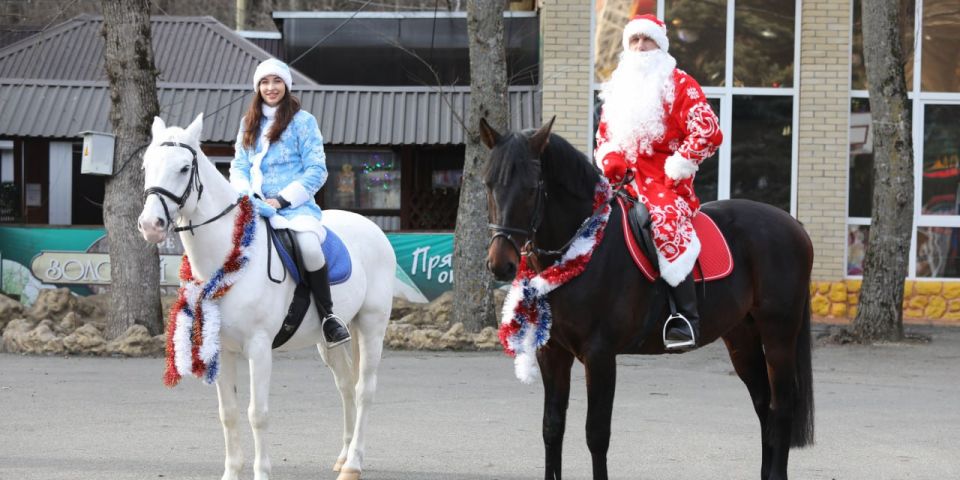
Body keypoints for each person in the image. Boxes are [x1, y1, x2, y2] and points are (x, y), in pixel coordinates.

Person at [594, 14, 723, 350]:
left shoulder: (680, 84)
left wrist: (680, 164)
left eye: (647, 39)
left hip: (666, 182)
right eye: (634, 40)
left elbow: (708, 130)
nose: (640, 46)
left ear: (660, 44)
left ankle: (684, 317)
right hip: (622, 180)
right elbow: (604, 135)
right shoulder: (618, 86)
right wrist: (610, 158)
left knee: (663, 222)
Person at [229, 58, 351, 348]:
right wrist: (248, 195)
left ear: (286, 85)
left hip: (295, 207)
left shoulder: (303, 122)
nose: (271, 87)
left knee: (309, 247)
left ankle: (328, 317)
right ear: (258, 87)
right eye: (265, 82)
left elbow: (317, 169)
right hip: (254, 205)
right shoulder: (248, 123)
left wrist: (283, 199)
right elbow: (239, 167)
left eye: (277, 81)